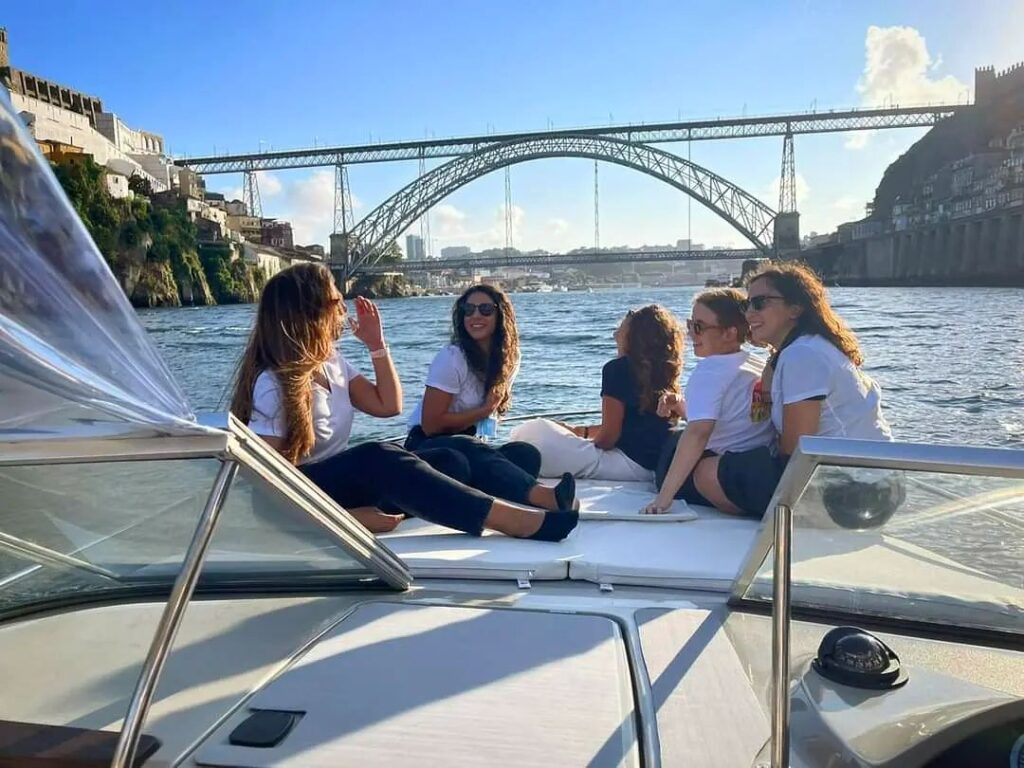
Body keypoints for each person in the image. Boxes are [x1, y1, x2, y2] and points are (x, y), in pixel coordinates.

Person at [228, 263, 578, 541]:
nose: (344, 312)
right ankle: (514, 521)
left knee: (449, 460)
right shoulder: (272, 385)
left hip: (347, 487)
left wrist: (376, 344)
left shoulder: (331, 363)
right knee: (377, 455)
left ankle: (530, 497)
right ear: (311, 312)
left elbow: (387, 406)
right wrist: (344, 519)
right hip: (310, 495)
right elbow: (265, 488)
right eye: (337, 303)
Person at [685, 262, 893, 518]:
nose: (749, 314)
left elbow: (795, 448)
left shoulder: (801, 355)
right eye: (747, 305)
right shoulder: (805, 349)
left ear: (795, 308)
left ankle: (785, 523)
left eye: (760, 303)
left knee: (706, 473)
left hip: (854, 494)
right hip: (871, 484)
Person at [406, 284, 577, 512]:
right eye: (469, 309)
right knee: (461, 456)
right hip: (427, 444)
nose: (475, 315)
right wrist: (483, 411)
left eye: (485, 309)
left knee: (526, 454)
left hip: (469, 445)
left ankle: (475, 487)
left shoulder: (509, 358)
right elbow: (431, 425)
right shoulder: (452, 357)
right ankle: (545, 497)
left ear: (500, 314)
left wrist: (485, 418)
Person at [512, 304, 684, 481]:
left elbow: (608, 439)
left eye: (624, 323)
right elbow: (632, 428)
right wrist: (579, 432)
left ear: (634, 334)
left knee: (534, 430)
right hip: (655, 464)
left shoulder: (617, 369)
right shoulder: (662, 370)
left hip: (627, 464)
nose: (617, 328)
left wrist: (582, 445)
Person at [641, 288, 774, 514]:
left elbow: (698, 433)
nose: (691, 333)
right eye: (690, 324)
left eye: (699, 327)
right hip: (759, 467)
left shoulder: (710, 371)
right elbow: (731, 420)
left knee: (674, 441)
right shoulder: (755, 364)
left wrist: (662, 499)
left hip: (727, 472)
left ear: (729, 333)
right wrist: (681, 406)